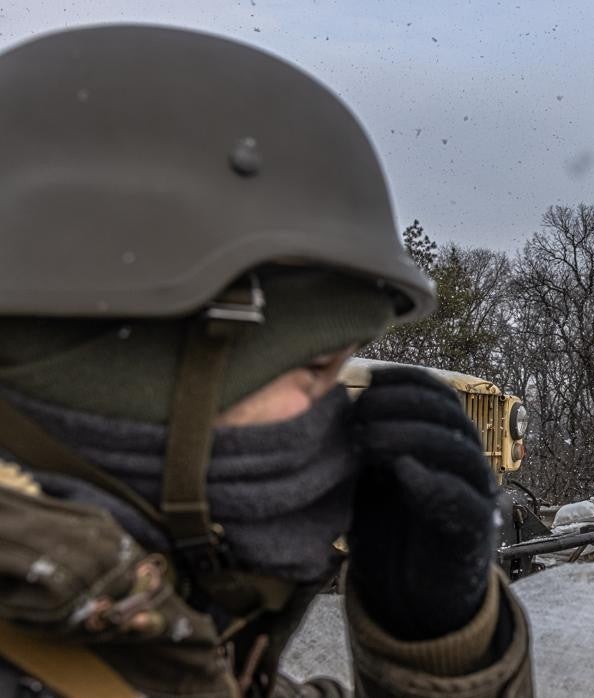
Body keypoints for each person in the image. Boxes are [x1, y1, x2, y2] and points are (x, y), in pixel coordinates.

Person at [0, 25, 531, 697]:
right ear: (116, 375)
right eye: (313, 367)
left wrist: (439, 643)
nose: (340, 411)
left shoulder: (167, 651)